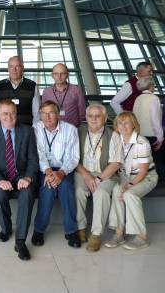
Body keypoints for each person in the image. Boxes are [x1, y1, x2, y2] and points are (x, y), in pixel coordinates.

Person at [0, 99, 39, 261]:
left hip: (22, 176)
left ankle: (20, 241)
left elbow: (33, 159)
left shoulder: (27, 131)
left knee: (27, 194)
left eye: (13, 113)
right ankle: (6, 228)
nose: (10, 117)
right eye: (5, 114)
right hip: (1, 177)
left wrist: (28, 177)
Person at [105, 112, 158, 250]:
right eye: (119, 123)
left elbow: (143, 171)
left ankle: (141, 237)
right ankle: (119, 233)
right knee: (117, 190)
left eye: (126, 122)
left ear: (133, 124)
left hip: (146, 177)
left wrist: (129, 185)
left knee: (129, 194)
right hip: (126, 176)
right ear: (116, 125)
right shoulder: (117, 138)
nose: (122, 126)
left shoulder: (142, 142)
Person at [32, 100, 81, 248]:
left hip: (64, 169)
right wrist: (48, 172)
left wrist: (60, 173)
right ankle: (39, 230)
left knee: (66, 187)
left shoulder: (70, 129)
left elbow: (73, 158)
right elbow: (38, 154)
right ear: (40, 115)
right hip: (44, 169)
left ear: (58, 114)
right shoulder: (36, 128)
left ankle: (71, 230)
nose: (47, 117)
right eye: (44, 114)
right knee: (47, 188)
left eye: (51, 113)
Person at [75, 104, 123, 251]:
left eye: (98, 116)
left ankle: (96, 234)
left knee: (101, 193)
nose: (94, 119)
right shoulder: (78, 132)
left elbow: (116, 163)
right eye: (90, 116)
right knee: (79, 191)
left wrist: (99, 179)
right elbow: (73, 159)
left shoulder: (113, 134)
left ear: (105, 117)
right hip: (83, 171)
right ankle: (80, 228)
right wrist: (87, 176)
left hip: (106, 173)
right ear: (86, 117)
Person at [133, 76, 164, 178]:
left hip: (139, 135)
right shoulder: (154, 98)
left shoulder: (137, 99)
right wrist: (160, 138)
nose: (154, 86)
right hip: (152, 136)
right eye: (153, 84)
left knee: (144, 159)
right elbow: (156, 120)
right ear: (150, 85)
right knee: (157, 160)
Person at [0, 56, 40, 125]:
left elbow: (36, 113)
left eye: (17, 66)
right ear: (8, 69)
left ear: (22, 68)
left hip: (26, 129)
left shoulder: (32, 86)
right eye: (11, 67)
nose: (14, 70)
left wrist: (34, 130)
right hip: (5, 129)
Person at [42, 63, 86, 127]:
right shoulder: (46, 92)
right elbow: (44, 111)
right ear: (52, 75)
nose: (59, 76)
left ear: (67, 75)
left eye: (62, 73)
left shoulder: (76, 90)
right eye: (56, 74)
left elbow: (82, 111)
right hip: (53, 128)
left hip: (73, 128)